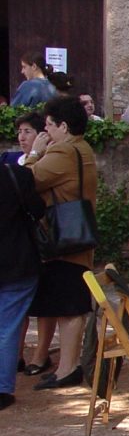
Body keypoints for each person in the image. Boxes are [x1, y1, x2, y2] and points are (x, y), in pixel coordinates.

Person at [23, 97, 98, 389]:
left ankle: (68, 367)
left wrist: (34, 153)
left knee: (70, 305)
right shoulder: (81, 148)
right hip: (75, 232)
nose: (46, 132)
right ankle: (68, 365)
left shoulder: (64, 150)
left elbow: (28, 180)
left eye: (49, 125)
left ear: (63, 126)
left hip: (64, 237)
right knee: (69, 303)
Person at [0, 161, 45, 408]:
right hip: (17, 261)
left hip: (17, 264)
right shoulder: (16, 174)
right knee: (7, 328)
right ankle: (2, 389)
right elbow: (37, 210)